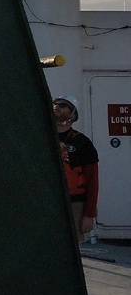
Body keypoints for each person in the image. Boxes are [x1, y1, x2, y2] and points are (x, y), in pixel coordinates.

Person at [53, 97, 99, 244]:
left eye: (63, 105)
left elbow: (92, 181)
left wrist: (89, 215)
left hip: (75, 205)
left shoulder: (83, 143)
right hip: (46, 202)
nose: (56, 107)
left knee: (72, 249)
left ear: (72, 114)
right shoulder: (41, 138)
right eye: (54, 103)